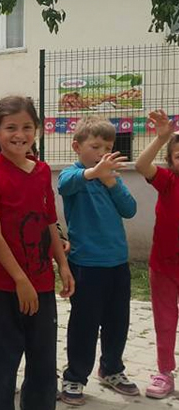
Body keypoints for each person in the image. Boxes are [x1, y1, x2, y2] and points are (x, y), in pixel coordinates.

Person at [0, 96, 75, 410]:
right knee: (4, 364)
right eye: (11, 128)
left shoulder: (42, 171)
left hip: (42, 283)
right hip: (5, 286)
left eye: (27, 127)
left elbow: (49, 221)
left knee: (43, 364)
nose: (19, 134)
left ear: (37, 130)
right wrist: (20, 279)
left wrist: (63, 265)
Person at [57, 116, 139, 405]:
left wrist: (111, 182)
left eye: (108, 147)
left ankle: (112, 369)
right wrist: (94, 172)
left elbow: (130, 209)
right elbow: (64, 185)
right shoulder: (73, 175)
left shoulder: (112, 179)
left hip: (117, 262)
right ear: (76, 147)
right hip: (86, 265)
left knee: (118, 321)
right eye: (95, 146)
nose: (103, 152)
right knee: (85, 324)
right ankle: (75, 377)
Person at [134, 109, 179, 399]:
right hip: (163, 266)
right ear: (171, 160)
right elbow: (141, 164)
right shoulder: (167, 181)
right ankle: (165, 372)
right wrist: (162, 138)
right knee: (165, 321)